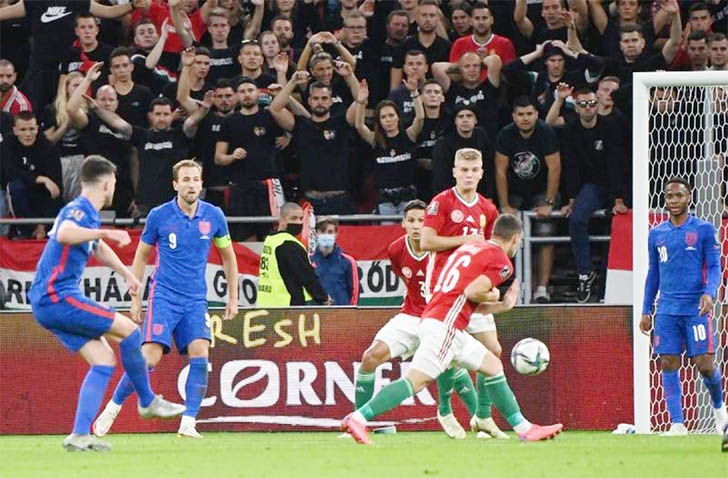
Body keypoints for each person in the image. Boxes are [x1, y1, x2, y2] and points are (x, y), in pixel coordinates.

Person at [342, 214, 564, 445]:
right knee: (414, 382)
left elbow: (462, 299)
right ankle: (358, 418)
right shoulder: (501, 261)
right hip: (444, 326)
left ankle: (524, 428)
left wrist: (501, 306)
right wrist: (494, 294)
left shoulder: (472, 248)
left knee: (492, 365)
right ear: (516, 238)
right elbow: (471, 292)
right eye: (519, 242)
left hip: (441, 320)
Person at [28, 155, 185, 452]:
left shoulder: (86, 214)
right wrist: (104, 231)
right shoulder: (78, 210)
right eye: (114, 182)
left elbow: (97, 247)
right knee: (130, 331)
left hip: (48, 302)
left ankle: (79, 435)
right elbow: (63, 234)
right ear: (107, 183)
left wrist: (126, 274)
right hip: (57, 296)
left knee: (103, 361)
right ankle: (148, 401)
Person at [94, 159, 239, 439]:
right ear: (175, 184)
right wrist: (135, 298)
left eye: (196, 179)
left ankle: (188, 423)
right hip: (164, 297)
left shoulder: (214, 216)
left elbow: (228, 256)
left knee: (200, 352)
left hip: (196, 300)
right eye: (186, 179)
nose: (192, 184)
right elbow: (142, 255)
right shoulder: (160, 216)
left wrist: (233, 298)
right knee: (149, 358)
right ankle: (112, 408)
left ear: (201, 182)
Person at [353, 200, 478, 437]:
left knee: (454, 364)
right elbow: (407, 279)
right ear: (403, 224)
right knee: (370, 358)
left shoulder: (444, 250)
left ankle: (481, 421)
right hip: (410, 316)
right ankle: (358, 424)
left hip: (440, 318)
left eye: (422, 220)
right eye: (411, 220)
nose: (416, 225)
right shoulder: (396, 250)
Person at [421, 147, 502, 440]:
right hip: (444, 287)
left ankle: (482, 416)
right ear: (454, 171)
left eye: (473, 170)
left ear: (481, 172)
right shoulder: (440, 203)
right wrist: (463, 240)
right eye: (463, 170)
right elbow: (426, 242)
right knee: (448, 354)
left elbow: (493, 248)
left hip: (474, 289)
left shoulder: (488, 209)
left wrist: (493, 284)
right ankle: (444, 409)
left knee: (493, 351)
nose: (468, 175)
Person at [640, 178, 727, 437]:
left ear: (689, 197)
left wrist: (710, 294)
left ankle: (720, 408)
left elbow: (714, 267)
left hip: (695, 308)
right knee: (667, 361)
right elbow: (653, 273)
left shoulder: (703, 230)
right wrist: (647, 309)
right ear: (664, 200)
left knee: (704, 364)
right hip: (666, 309)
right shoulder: (656, 234)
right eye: (669, 196)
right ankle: (677, 424)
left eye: (679, 196)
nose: (674, 201)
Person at [550, 85, 629, 303]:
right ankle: (585, 273)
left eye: (592, 103)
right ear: (576, 107)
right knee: (576, 219)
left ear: (598, 105)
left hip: (617, 186)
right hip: (590, 188)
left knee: (617, 228)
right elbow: (571, 166)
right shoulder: (571, 129)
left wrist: (619, 198)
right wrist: (572, 199)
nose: (588, 108)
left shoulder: (611, 126)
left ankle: (608, 287)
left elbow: (617, 166)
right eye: (582, 104)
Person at [495, 96, 561, 303]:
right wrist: (505, 204)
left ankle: (542, 288)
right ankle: (510, 285)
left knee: (545, 232)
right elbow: (500, 170)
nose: (525, 119)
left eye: (529, 114)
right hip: (514, 191)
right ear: (514, 116)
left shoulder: (546, 132)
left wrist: (549, 202)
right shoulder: (505, 134)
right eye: (521, 115)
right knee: (505, 234)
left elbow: (555, 167)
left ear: (536, 115)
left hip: (541, 190)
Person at [256, 202, 331, 307]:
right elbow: (307, 276)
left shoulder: (270, 240)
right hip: (287, 304)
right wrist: (323, 297)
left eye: (301, 219)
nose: (298, 222)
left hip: (266, 302)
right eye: (293, 218)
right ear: (282, 220)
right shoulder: (289, 244)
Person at [311, 217, 359, 306]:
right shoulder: (308, 260)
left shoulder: (348, 261)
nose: (326, 235)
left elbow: (354, 292)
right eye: (322, 231)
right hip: (316, 315)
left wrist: (351, 314)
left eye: (330, 232)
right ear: (316, 233)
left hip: (342, 314)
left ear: (336, 234)